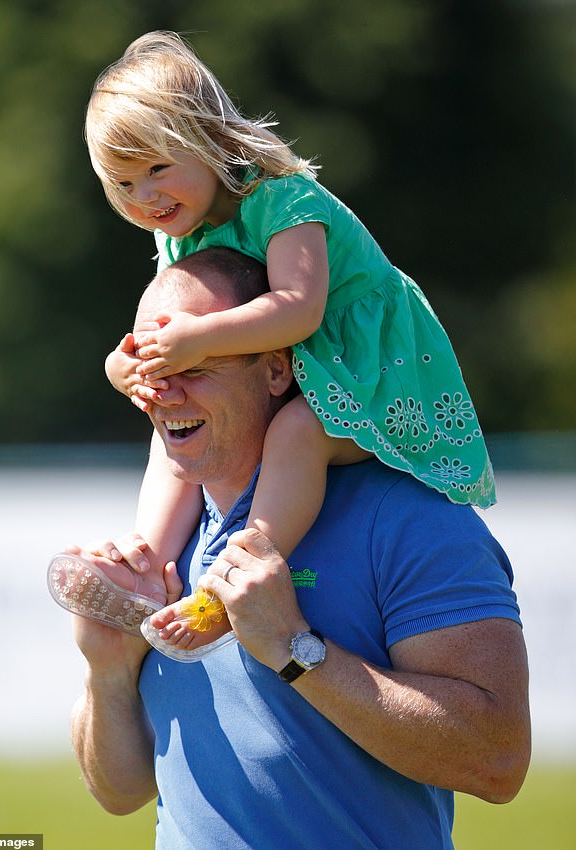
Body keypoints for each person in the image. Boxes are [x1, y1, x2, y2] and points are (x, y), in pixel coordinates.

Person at [69, 247, 530, 850]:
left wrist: (294, 649)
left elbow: (496, 761)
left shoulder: (408, 516)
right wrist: (107, 670)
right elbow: (120, 792)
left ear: (276, 371)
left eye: (198, 365)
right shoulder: (166, 538)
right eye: (153, 369)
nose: (167, 392)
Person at [82, 31, 497, 650]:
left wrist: (195, 340)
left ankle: (242, 573)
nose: (143, 197)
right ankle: (148, 570)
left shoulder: (282, 197)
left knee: (298, 432)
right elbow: (166, 331)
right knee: (169, 420)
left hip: (368, 373)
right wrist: (129, 368)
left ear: (210, 141)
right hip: (298, 369)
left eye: (156, 169)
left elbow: (298, 311)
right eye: (122, 184)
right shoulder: (181, 229)